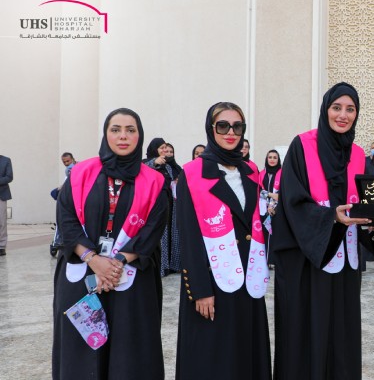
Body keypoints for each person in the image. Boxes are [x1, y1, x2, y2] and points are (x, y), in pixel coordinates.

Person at [271, 82, 374, 379]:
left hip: (346, 262)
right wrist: (331, 216)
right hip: (309, 258)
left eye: (350, 109)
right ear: (325, 109)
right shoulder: (302, 146)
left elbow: (367, 202)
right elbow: (292, 202)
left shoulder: (357, 154)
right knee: (308, 330)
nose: (343, 115)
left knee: (341, 332)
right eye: (336, 107)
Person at [53, 108, 168, 379]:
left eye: (131, 130)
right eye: (115, 130)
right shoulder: (82, 172)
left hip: (130, 274)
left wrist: (115, 265)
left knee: (130, 352)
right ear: (106, 134)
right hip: (82, 270)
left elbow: (154, 228)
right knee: (81, 351)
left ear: (140, 136)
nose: (123, 136)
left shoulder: (154, 180)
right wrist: (93, 259)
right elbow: (66, 218)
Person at [175, 102, 271, 379]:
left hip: (247, 276)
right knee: (212, 355)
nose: (231, 132)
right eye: (223, 126)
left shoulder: (250, 170)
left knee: (244, 349)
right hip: (212, 279)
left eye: (237, 126)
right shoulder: (192, 173)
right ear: (211, 129)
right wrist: (200, 290)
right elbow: (188, 236)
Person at [144, 138, 182, 277]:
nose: (165, 150)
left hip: (171, 204)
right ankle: (162, 267)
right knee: (161, 235)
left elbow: (181, 176)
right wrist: (154, 163)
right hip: (154, 204)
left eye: (166, 147)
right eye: (161, 148)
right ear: (155, 150)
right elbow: (141, 173)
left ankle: (172, 265)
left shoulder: (168, 165)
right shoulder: (147, 163)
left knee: (172, 234)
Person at [260, 149, 282, 269]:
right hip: (263, 209)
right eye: (270, 157)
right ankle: (265, 260)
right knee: (264, 234)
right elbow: (259, 191)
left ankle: (273, 260)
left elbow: (282, 193)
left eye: (275, 157)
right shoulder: (262, 174)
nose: (272, 159)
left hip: (277, 210)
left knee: (275, 235)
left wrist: (273, 205)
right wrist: (270, 195)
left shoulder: (282, 173)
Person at [0, 154, 12, 256]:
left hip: (1, 195)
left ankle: (1, 246)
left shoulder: (6, 160)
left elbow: (9, 177)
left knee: (1, 221)